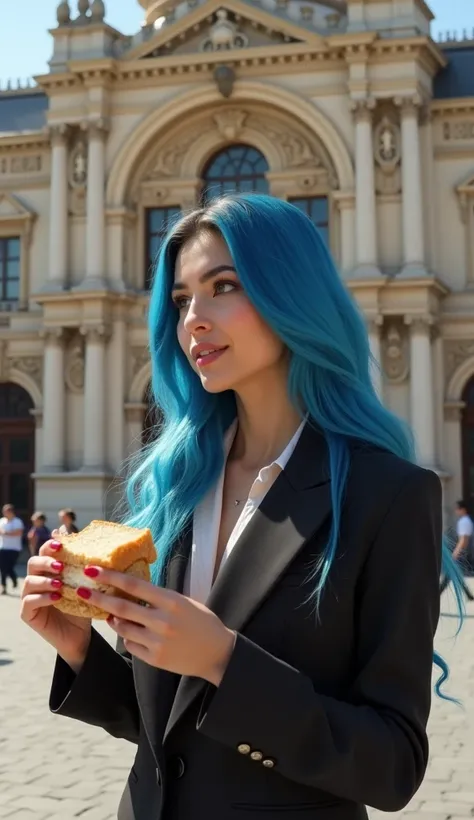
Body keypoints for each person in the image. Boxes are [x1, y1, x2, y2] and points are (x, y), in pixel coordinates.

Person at [21, 194, 463, 820]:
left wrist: (225, 661)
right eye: (180, 300)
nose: (193, 320)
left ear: (293, 293)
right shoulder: (175, 488)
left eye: (222, 286)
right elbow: (165, 726)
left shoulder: (387, 495)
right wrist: (81, 650)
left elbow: (391, 767)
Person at [440, 500, 474, 600]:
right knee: (455, 574)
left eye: (457, 509)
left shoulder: (464, 521)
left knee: (450, 573)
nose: (456, 511)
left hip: (460, 553)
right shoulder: (467, 520)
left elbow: (463, 539)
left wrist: (456, 552)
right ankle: (468, 594)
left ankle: (437, 593)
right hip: (463, 552)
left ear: (463, 510)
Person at [0, 503, 24, 595]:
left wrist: (5, 533)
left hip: (14, 548)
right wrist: (7, 533)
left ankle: (14, 579)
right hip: (3, 547)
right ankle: (4, 586)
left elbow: (18, 532)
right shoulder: (2, 521)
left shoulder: (17, 521)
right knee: (3, 568)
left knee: (9, 567)